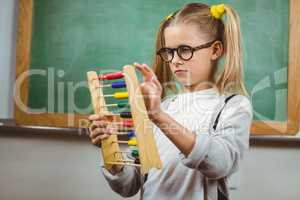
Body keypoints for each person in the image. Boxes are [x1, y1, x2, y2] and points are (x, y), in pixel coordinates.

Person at [89, 3, 253, 200]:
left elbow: (220, 163)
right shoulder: (164, 106)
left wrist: (159, 116)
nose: (174, 60)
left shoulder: (233, 106)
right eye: (169, 52)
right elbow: (130, 185)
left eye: (184, 50)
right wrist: (110, 149)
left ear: (215, 50)